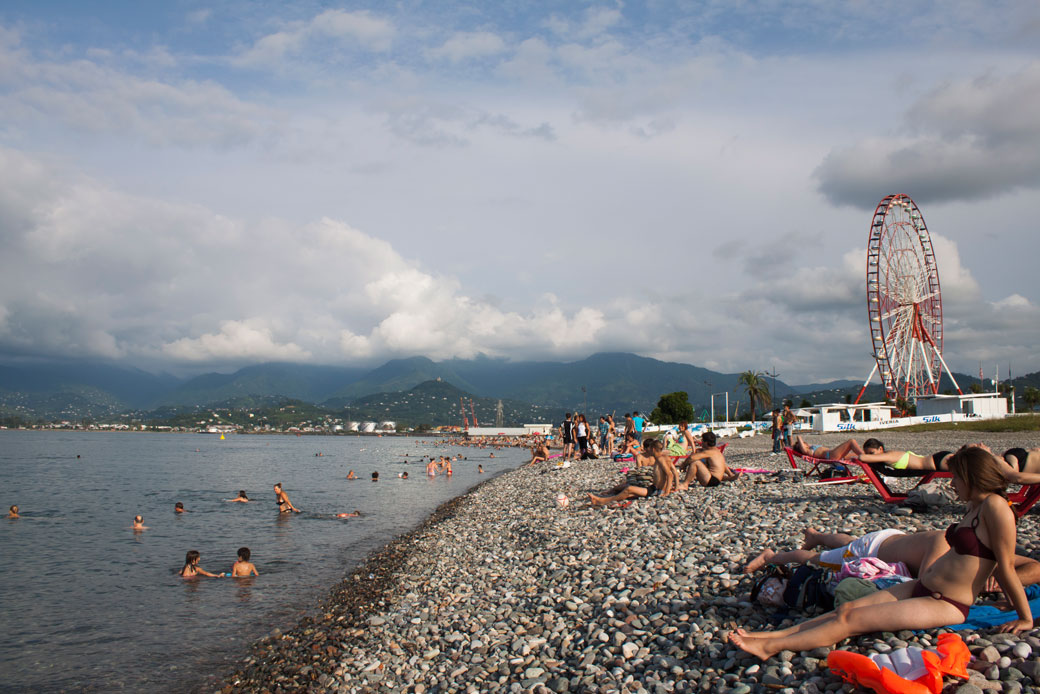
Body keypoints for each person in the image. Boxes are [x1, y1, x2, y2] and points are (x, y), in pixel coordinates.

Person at [729, 446, 1034, 661]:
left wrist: (1024, 618)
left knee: (851, 620)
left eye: (955, 478)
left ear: (971, 476)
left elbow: (1005, 566)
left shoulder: (996, 508)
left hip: (946, 602)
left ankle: (771, 648)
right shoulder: (975, 506)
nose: (952, 484)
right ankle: (769, 638)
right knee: (841, 611)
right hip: (922, 586)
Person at [743, 525, 1040, 588]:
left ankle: (817, 533)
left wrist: (1002, 582)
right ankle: (772, 556)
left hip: (887, 540)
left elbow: (1035, 567)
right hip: (871, 551)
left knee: (850, 540)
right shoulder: (943, 545)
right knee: (812, 558)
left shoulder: (981, 551)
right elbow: (927, 586)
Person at [588, 439, 679, 506]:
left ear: (654, 449)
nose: (648, 451)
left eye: (650, 449)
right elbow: (675, 472)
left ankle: (601, 500)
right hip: (654, 488)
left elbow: (669, 475)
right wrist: (676, 487)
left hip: (656, 490)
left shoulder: (660, 459)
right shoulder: (665, 458)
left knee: (629, 489)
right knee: (629, 493)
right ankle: (602, 500)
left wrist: (666, 492)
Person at [856, 438, 954, 471]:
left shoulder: (889, 455)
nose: (870, 456)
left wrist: (864, 456)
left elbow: (861, 457)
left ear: (880, 449)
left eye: (872, 453)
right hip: (935, 461)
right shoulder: (887, 456)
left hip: (937, 462)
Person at [790, 436, 865, 461]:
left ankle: (870, 457)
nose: (805, 443)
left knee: (857, 455)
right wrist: (798, 438)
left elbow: (806, 445)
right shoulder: (808, 451)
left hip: (833, 454)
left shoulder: (810, 447)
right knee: (851, 441)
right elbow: (803, 448)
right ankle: (866, 456)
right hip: (832, 455)